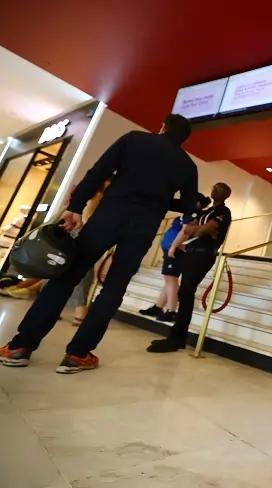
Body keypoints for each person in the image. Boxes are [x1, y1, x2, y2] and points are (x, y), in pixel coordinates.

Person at [0, 114, 198, 373]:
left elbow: (99, 172)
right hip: (143, 228)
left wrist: (76, 206)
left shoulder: (134, 140)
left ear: (162, 127)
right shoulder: (187, 165)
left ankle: (20, 347)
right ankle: (78, 354)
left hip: (108, 217)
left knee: (67, 276)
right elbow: (189, 206)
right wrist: (159, 198)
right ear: (184, 139)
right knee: (114, 288)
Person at [148, 182, 232, 353]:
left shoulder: (223, 211)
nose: (215, 189)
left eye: (220, 188)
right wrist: (197, 229)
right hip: (191, 252)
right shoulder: (205, 212)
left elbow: (201, 230)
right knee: (184, 293)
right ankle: (177, 337)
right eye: (214, 187)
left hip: (203, 254)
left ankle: (176, 338)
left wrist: (197, 229)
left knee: (186, 292)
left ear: (226, 195)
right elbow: (189, 229)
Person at [139, 193, 211, 322]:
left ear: (198, 203)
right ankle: (158, 307)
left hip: (177, 251)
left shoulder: (193, 215)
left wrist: (173, 246)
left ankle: (171, 311)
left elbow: (185, 232)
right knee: (169, 280)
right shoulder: (187, 214)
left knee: (171, 280)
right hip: (172, 250)